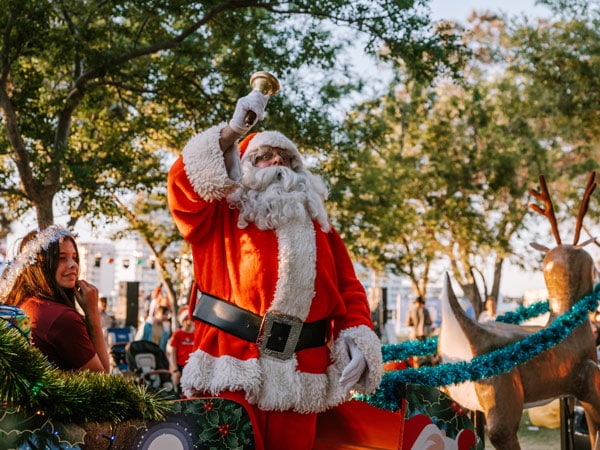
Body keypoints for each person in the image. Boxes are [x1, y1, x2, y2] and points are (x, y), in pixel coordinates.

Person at [167, 89, 382, 449]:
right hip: (230, 366)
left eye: (286, 158)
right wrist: (232, 132)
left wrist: (357, 340)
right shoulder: (218, 213)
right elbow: (182, 185)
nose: (277, 162)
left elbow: (349, 291)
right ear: (243, 166)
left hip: (301, 377)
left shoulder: (323, 230)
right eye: (264, 156)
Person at [0, 225, 110, 372]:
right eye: (62, 258)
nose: (73, 265)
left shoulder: (23, 303)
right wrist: (93, 313)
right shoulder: (62, 319)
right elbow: (103, 381)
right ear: (40, 265)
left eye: (74, 257)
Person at [167, 306, 195, 394]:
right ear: (182, 321)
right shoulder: (178, 334)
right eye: (185, 320)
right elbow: (172, 352)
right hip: (180, 366)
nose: (188, 322)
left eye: (189, 319)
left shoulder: (195, 333)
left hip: (191, 367)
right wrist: (175, 369)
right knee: (179, 391)